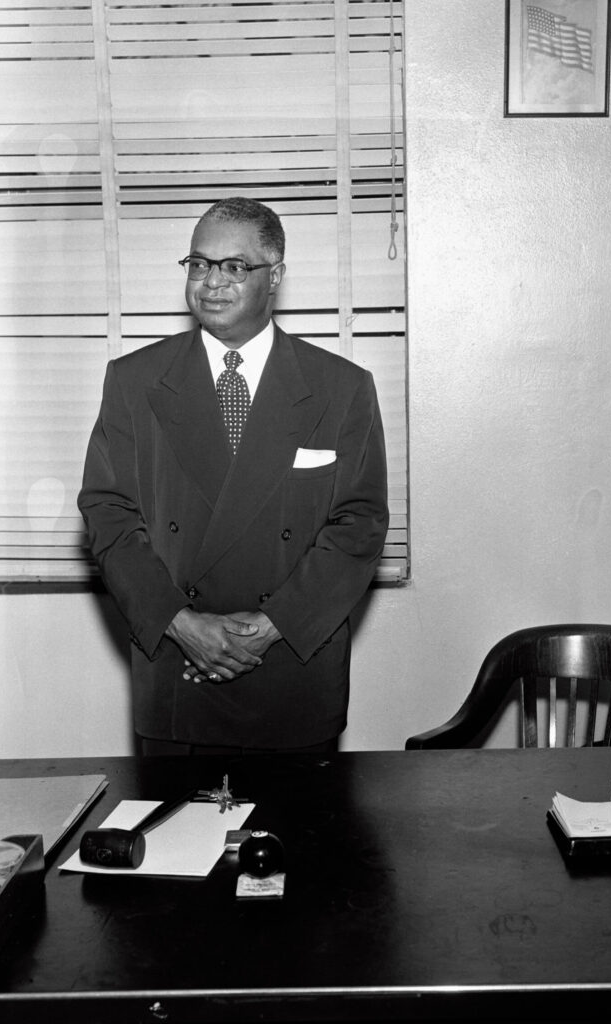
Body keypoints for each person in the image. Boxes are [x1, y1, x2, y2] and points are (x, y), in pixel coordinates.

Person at [78, 197, 389, 754]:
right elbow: (108, 517)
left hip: (292, 668)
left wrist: (271, 625)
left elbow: (359, 524)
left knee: (300, 839)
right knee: (173, 837)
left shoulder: (342, 388)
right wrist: (181, 622)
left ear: (276, 278)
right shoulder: (133, 382)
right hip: (177, 669)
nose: (211, 282)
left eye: (234, 266)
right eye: (199, 264)